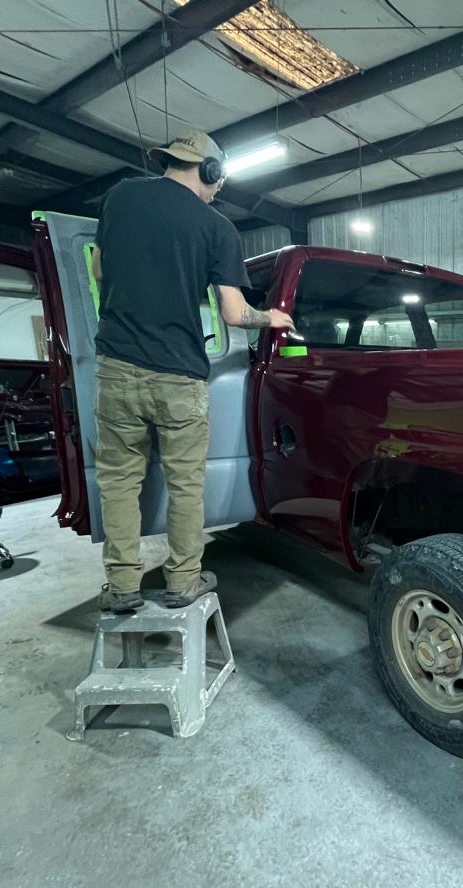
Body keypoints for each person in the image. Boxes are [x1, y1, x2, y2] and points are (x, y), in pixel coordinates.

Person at [92, 129, 293, 614]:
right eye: (218, 179)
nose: (218, 188)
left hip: (116, 367)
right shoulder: (216, 227)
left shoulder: (121, 196)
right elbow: (234, 313)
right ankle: (182, 581)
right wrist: (271, 317)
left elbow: (98, 269)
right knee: (185, 483)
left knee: (119, 482)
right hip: (179, 376)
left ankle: (122, 587)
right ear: (210, 171)